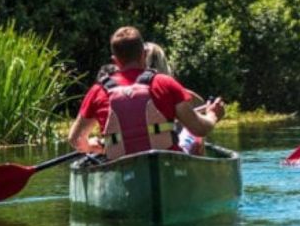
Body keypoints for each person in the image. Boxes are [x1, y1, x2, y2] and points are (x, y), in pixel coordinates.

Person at [68, 26, 225, 159]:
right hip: (166, 163)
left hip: (120, 166)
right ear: (143, 54)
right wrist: (212, 115)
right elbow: (199, 129)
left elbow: (75, 139)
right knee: (194, 137)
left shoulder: (97, 91)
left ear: (114, 60)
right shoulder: (165, 83)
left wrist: (91, 146)